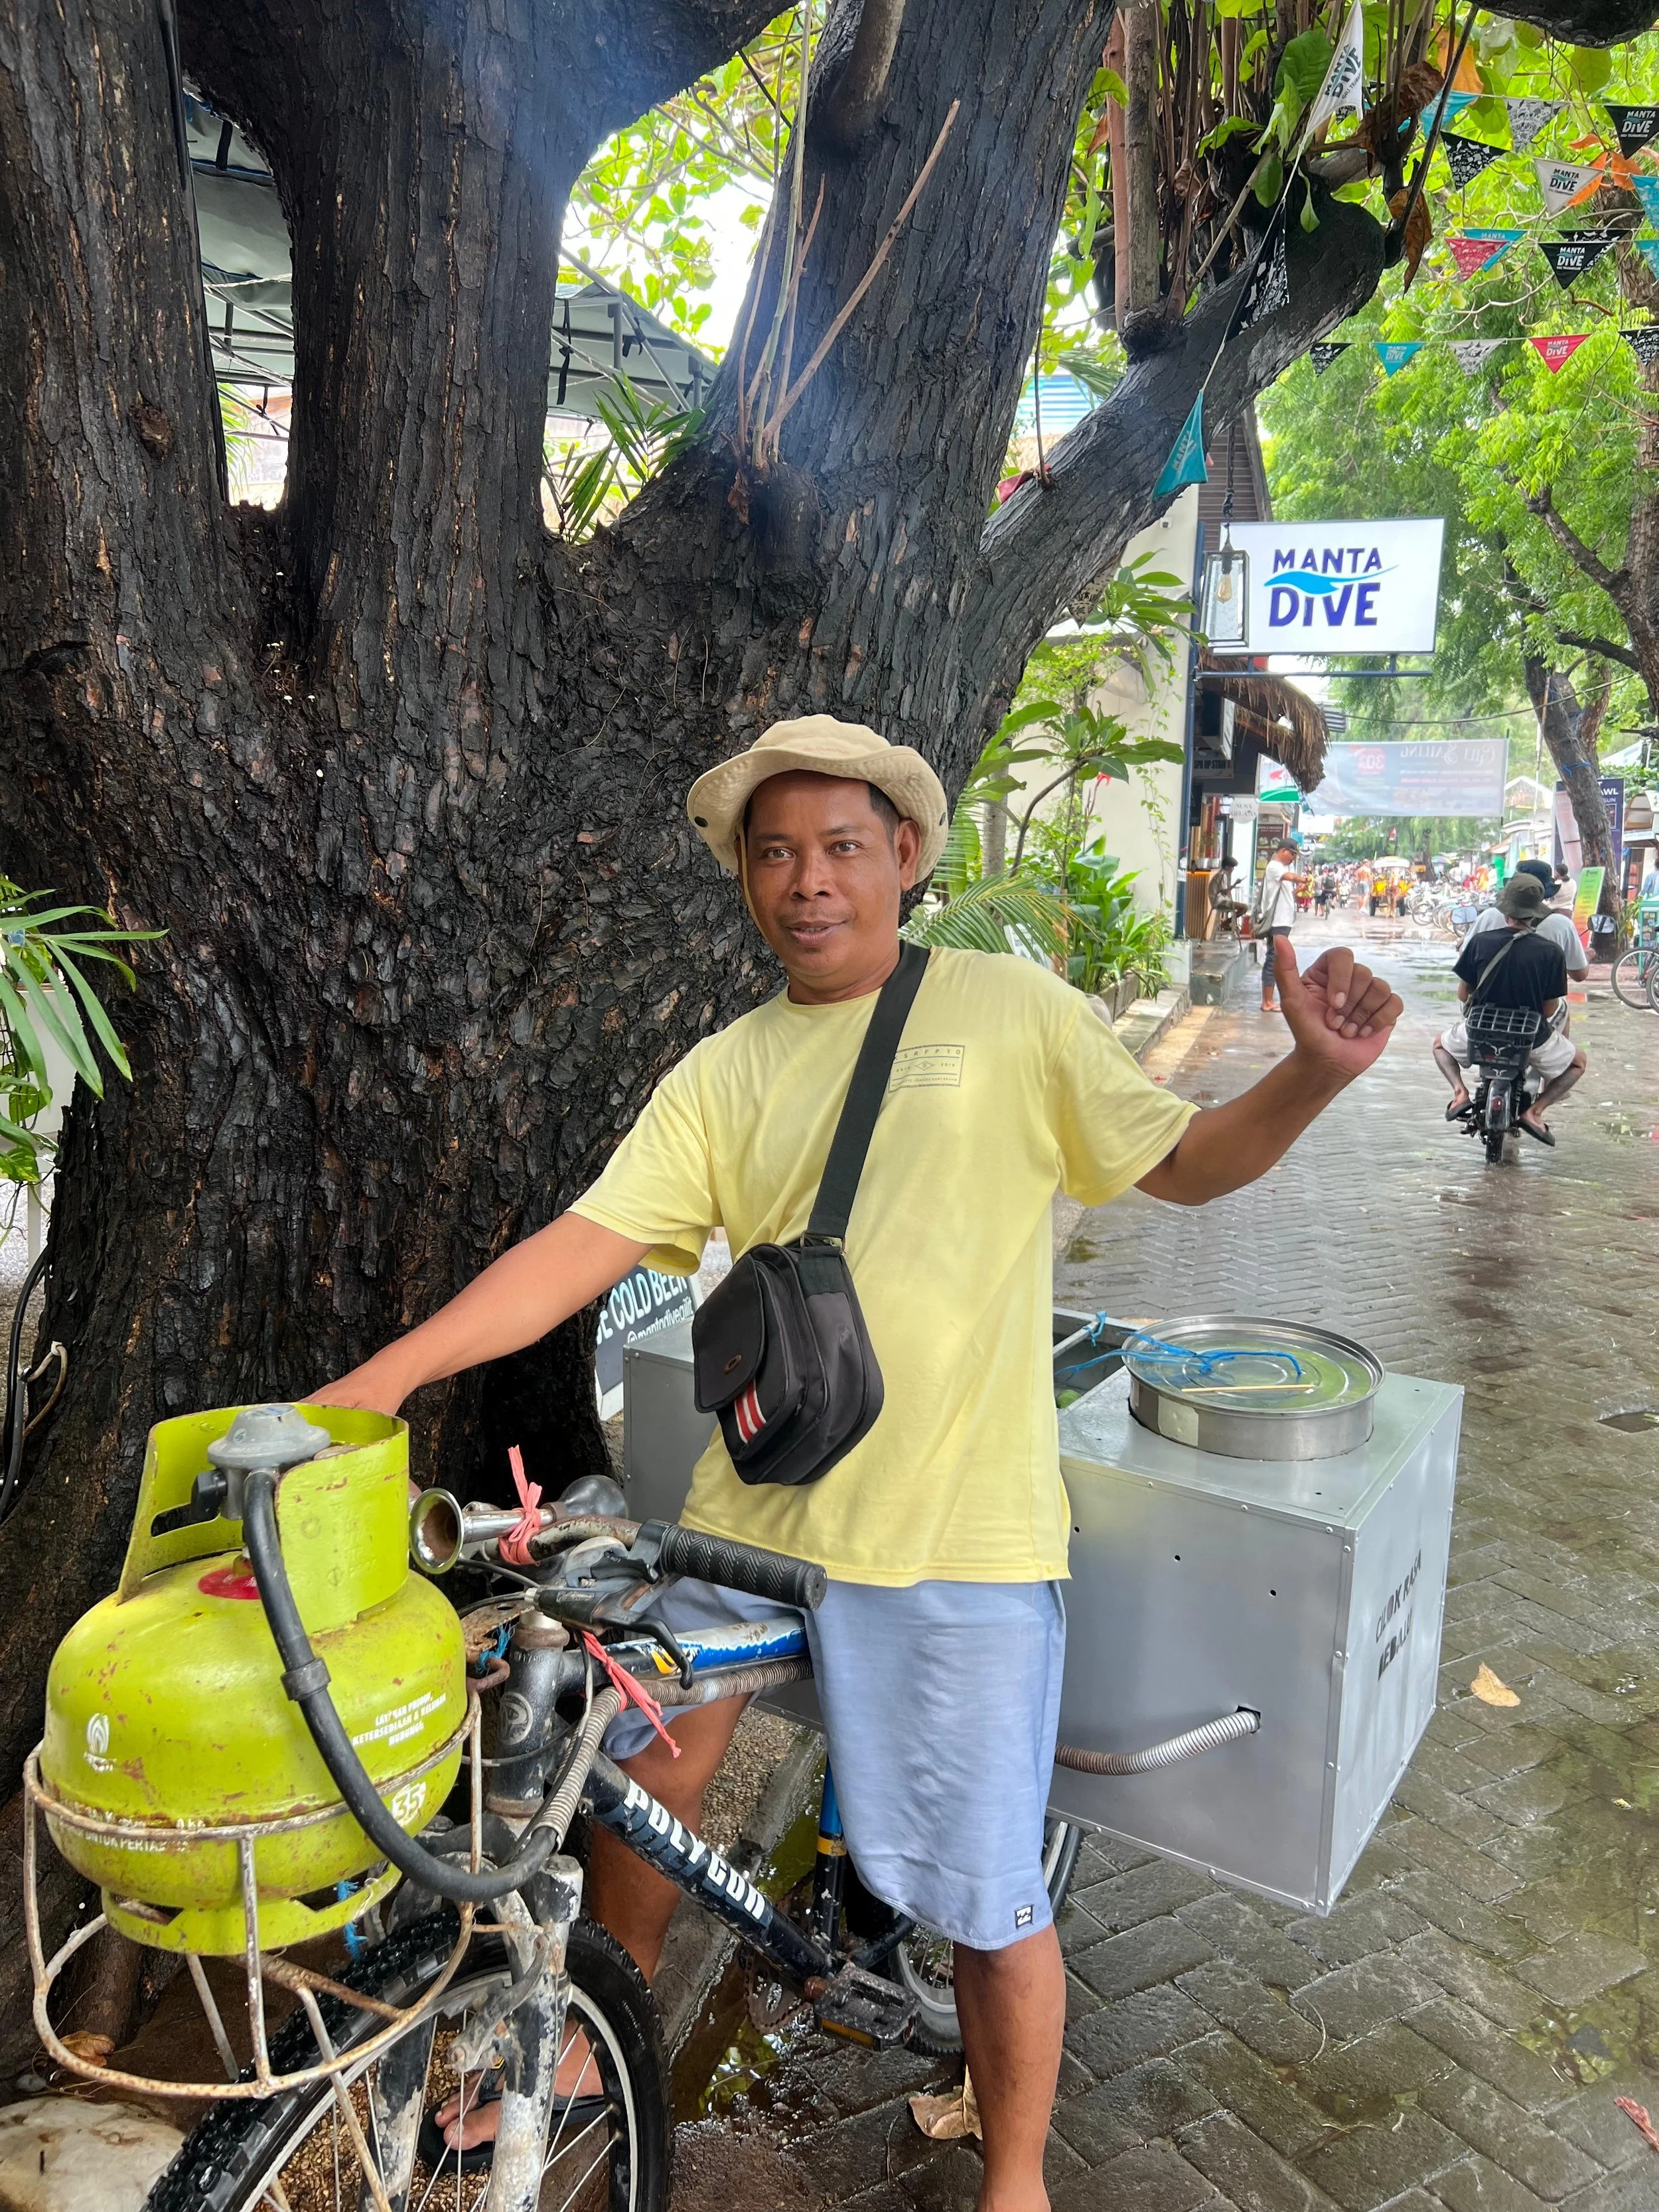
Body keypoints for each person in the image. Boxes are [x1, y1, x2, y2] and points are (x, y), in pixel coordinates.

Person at [315, 717, 1404, 2207]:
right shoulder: (724, 1069)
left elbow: (1186, 1160)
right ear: (744, 879)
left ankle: (1014, 2173)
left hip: (953, 1533)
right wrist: (377, 1384)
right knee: (638, 1764)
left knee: (982, 1893)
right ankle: (598, 2020)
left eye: (838, 846)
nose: (806, 881)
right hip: (743, 1520)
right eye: (774, 852)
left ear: (903, 855)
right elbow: (584, 1246)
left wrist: (1312, 1077)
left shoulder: (1013, 1015)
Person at [1433, 871, 1585, 1145]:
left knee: (1439, 1046)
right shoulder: (1551, 952)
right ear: (1535, 913)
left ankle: (1459, 1092)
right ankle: (1535, 1112)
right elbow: (1550, 1010)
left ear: (1505, 912)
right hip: (1529, 1035)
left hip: (1480, 1031)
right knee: (1578, 1062)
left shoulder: (1480, 942)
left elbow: (1462, 992)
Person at [1459, 858, 1588, 984]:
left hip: (1485, 1003)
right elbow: (1579, 975)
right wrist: (1585, 957)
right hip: (1538, 1004)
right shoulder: (1562, 926)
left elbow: (1465, 973)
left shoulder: (1487, 918)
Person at [1256, 840, 1299, 1013]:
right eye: (1292, 854)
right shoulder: (1275, 867)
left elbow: (1287, 894)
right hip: (1278, 922)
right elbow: (1290, 878)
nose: (1293, 858)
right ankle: (1267, 1001)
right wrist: (1302, 878)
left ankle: (1270, 1000)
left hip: (1284, 921)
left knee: (1277, 959)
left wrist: (1299, 890)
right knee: (1273, 960)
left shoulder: (1282, 870)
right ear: (1283, 851)